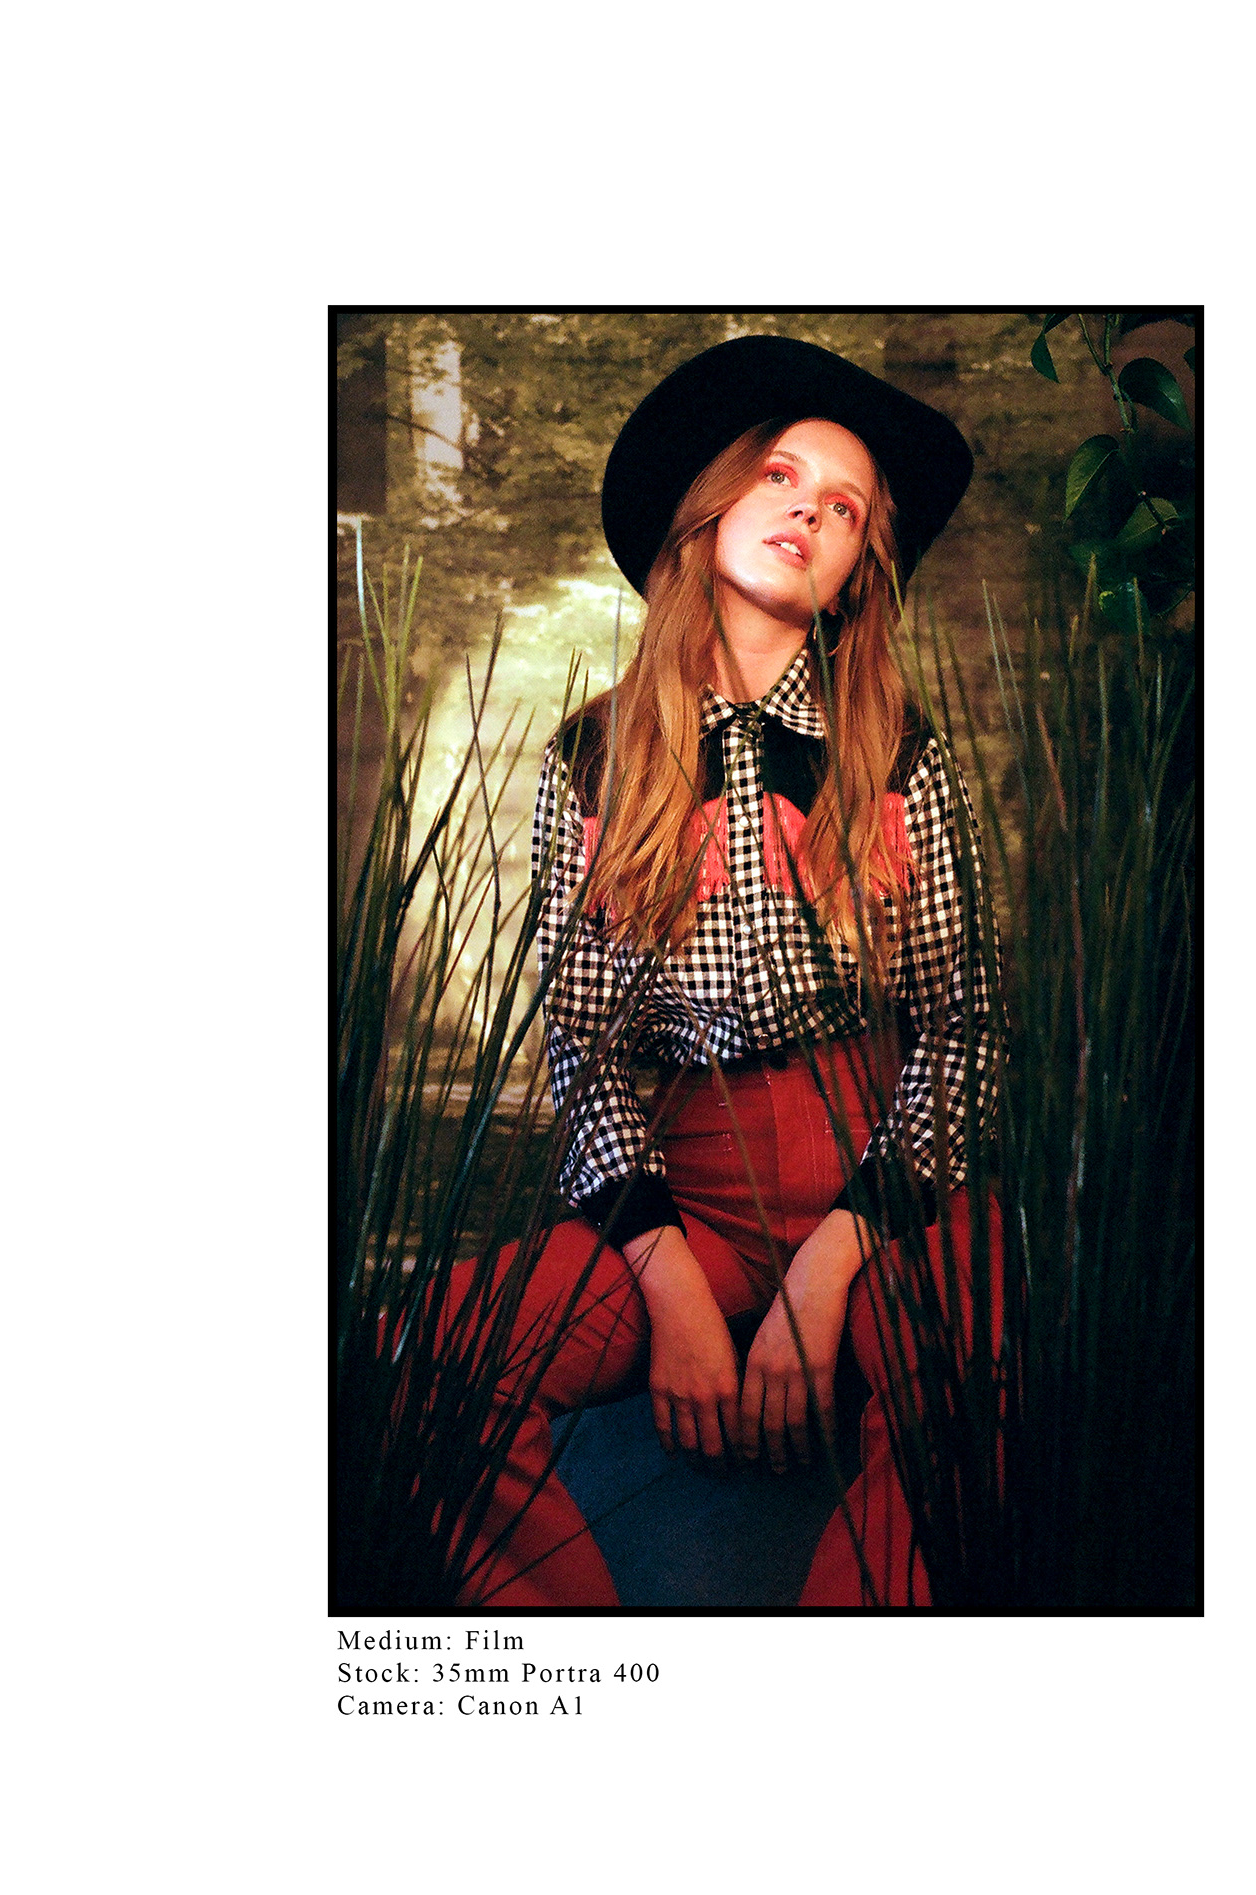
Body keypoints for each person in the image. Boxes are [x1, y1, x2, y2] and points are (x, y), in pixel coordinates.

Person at [447, 334, 1002, 1607]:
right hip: (683, 1191)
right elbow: (586, 1049)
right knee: (423, 1366)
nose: (810, 508)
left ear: (857, 574)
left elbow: (965, 1026)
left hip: (880, 1167)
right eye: (780, 475)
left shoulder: (903, 752)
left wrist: (842, 1252)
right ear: (708, 510)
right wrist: (671, 1286)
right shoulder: (590, 760)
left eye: (845, 506)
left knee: (991, 1355)